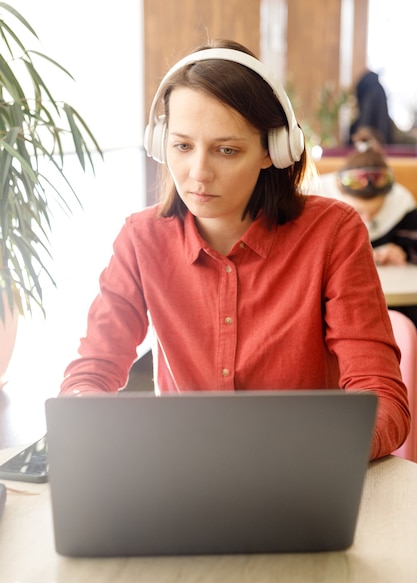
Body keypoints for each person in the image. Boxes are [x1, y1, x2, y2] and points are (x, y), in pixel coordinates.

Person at [60, 39, 410, 460]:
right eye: (182, 146)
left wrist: (319, 451)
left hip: (304, 476)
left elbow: (383, 399)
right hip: (184, 480)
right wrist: (82, 412)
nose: (198, 173)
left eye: (227, 150)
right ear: (160, 142)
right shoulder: (140, 239)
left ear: (272, 150)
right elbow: (92, 371)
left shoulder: (333, 234)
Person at [319, 137, 417, 325]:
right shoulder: (315, 194)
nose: (367, 220)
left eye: (375, 212)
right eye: (360, 212)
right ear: (340, 189)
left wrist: (401, 250)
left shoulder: (401, 203)